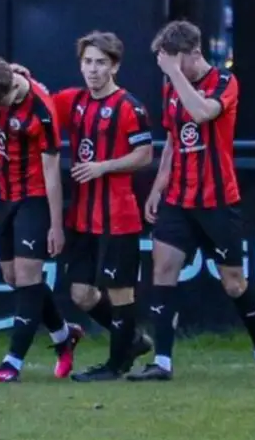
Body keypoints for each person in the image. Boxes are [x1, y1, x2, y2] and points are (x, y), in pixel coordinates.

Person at [129, 20, 255, 382]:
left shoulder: (225, 83)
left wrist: (174, 75)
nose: (167, 69)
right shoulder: (171, 86)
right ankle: (162, 362)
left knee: (233, 282)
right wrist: (158, 186)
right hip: (179, 197)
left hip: (217, 200)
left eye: (174, 60)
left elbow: (203, 113)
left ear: (193, 53)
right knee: (163, 270)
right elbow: (174, 139)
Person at [15, 31, 156, 382]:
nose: (92, 70)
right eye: (87, 62)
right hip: (82, 216)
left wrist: (103, 166)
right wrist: (22, 78)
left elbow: (144, 155)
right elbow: (41, 98)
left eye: (100, 63)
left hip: (119, 217)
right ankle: (133, 342)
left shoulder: (129, 107)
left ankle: (115, 365)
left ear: (115, 66)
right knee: (80, 294)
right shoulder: (73, 101)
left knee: (120, 292)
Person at [0, 58, 86, 383]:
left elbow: (52, 173)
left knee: (27, 275)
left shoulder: (42, 111)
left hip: (33, 198)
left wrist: (55, 224)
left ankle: (12, 364)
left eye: (3, 104)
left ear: (12, 89)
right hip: (4, 197)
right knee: (14, 277)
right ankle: (64, 336)